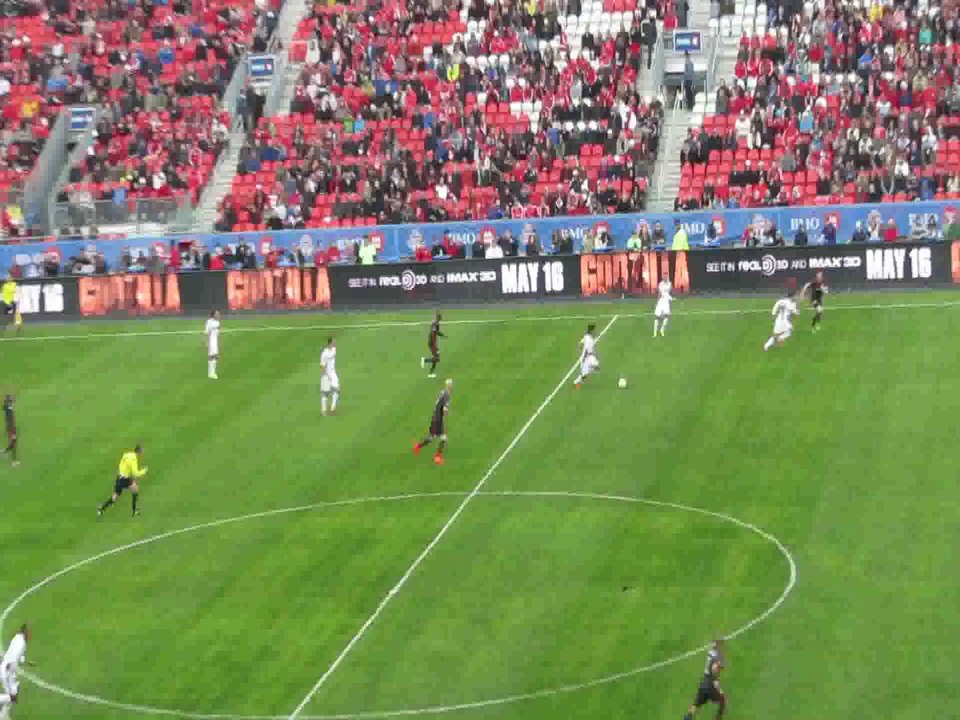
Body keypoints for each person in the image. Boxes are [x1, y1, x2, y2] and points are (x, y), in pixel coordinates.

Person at [97, 445, 148, 517]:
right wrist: (144, 471)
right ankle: (134, 511)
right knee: (135, 489)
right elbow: (136, 473)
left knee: (115, 497)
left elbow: (121, 463)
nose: (142, 453)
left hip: (119, 477)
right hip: (124, 479)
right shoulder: (134, 460)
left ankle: (102, 508)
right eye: (142, 451)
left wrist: (123, 471)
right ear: (138, 452)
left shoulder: (127, 454)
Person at [682, 639, 727, 720]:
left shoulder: (710, 652)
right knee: (723, 700)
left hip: (704, 683)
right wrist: (715, 681)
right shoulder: (718, 655)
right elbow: (715, 668)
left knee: (695, 705)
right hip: (711, 684)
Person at [413, 378, 453, 465]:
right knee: (443, 438)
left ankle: (418, 446)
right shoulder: (447, 395)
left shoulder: (442, 392)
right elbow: (444, 409)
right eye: (450, 385)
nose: (451, 386)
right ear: (449, 386)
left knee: (432, 437)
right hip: (438, 420)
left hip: (434, 417)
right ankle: (437, 457)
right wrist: (445, 418)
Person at [0, 624, 30, 719]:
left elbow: (19, 656)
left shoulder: (18, 638)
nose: (30, 634)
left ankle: (4, 716)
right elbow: (15, 655)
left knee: (14, 694)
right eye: (28, 632)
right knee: (12, 698)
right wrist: (11, 664)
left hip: (9, 671)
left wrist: (27, 662)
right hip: (7, 671)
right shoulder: (21, 643)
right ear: (24, 632)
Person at [573, 323, 599, 388]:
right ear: (591, 331)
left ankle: (580, 378)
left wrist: (580, 346)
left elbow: (580, 343)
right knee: (585, 374)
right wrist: (584, 359)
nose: (596, 331)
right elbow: (587, 350)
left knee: (596, 367)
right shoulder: (588, 339)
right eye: (594, 330)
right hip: (586, 358)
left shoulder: (587, 336)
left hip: (590, 356)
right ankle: (577, 382)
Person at [320, 336, 339, 416]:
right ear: (330, 343)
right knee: (325, 393)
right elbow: (322, 366)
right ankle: (324, 410)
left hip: (333, 373)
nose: (335, 343)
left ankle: (332, 408)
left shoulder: (334, 350)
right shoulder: (324, 354)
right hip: (326, 374)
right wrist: (326, 376)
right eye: (334, 342)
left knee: (337, 390)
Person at [421, 312, 444, 379]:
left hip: (433, 343)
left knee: (436, 358)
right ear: (438, 318)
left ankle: (431, 373)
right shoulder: (435, 324)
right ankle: (425, 360)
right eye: (440, 318)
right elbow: (434, 333)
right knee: (437, 358)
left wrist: (442, 335)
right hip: (432, 344)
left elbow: (436, 332)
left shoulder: (435, 323)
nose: (441, 319)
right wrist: (435, 346)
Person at [205, 310, 221, 380]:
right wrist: (207, 341)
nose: (218, 315)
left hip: (215, 341)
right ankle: (212, 373)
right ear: (213, 315)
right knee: (213, 356)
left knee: (215, 357)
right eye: (217, 314)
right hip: (211, 340)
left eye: (219, 314)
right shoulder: (209, 322)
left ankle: (211, 373)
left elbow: (217, 332)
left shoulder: (218, 322)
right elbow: (207, 332)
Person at [2, 394, 17, 467]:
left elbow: (13, 401)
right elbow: (6, 406)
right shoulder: (8, 409)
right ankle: (13, 461)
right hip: (11, 428)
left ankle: (5, 452)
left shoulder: (8, 408)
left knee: (14, 441)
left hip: (11, 427)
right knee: (13, 442)